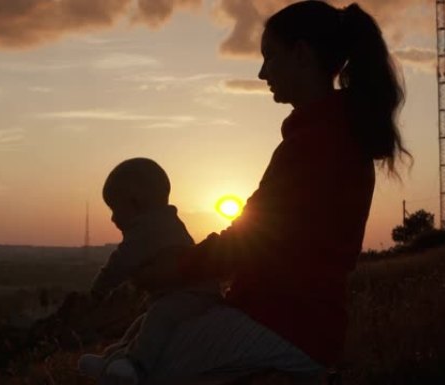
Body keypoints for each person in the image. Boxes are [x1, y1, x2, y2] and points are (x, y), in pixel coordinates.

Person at [132, 1, 410, 383]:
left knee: (142, 367)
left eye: (270, 57)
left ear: (301, 54)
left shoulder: (316, 143)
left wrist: (173, 271)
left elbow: (250, 239)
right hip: (299, 325)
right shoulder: (337, 134)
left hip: (283, 325)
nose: (263, 72)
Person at [77, 158, 222, 384]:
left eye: (115, 209)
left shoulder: (147, 228)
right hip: (187, 296)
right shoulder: (166, 221)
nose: (113, 218)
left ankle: (136, 366)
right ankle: (114, 359)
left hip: (192, 297)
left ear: (136, 203)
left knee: (156, 320)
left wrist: (98, 290)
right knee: (143, 323)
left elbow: (120, 263)